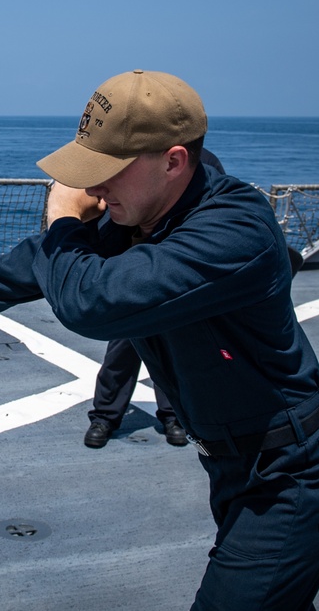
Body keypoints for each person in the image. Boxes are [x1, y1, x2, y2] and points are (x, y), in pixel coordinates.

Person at [0, 69, 319, 610]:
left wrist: (63, 222)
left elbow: (93, 306)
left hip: (289, 476)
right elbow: (0, 277)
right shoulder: (134, 222)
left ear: (174, 161)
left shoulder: (234, 229)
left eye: (108, 171)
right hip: (226, 463)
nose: (91, 189)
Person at [85, 148, 226, 450]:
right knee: (121, 351)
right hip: (132, 271)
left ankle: (172, 416)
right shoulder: (135, 156)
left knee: (174, 352)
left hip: (174, 274)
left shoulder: (206, 163)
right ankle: (104, 417)